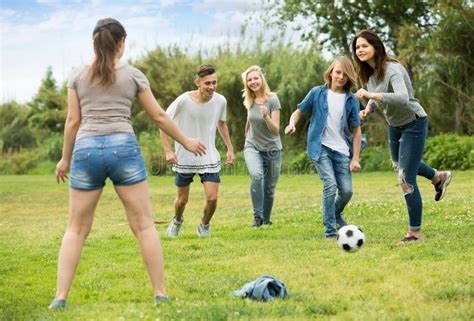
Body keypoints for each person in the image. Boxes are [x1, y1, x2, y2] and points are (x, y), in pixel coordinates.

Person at [49, 18, 206, 309]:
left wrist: (65, 158)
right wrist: (185, 141)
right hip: (123, 149)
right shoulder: (133, 75)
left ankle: (60, 298)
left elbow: (73, 122)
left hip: (85, 150)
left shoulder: (77, 76)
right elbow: (158, 116)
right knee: (144, 226)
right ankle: (160, 293)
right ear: (121, 42)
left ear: (95, 43)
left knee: (76, 229)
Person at [352, 30, 452, 243]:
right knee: (400, 167)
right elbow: (379, 93)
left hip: (414, 123)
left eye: (364, 46)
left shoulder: (393, 69)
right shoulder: (370, 73)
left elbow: (402, 98)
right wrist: (369, 108)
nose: (360, 50)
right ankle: (437, 177)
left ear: (376, 47)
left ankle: (414, 233)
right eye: (357, 47)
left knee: (405, 178)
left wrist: (369, 95)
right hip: (395, 125)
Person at [285, 56, 362, 238]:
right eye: (337, 72)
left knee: (347, 191)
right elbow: (299, 111)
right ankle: (330, 231)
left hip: (342, 149)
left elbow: (356, 130)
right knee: (330, 184)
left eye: (345, 74)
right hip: (320, 147)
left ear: (349, 77)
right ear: (331, 72)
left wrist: (356, 157)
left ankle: (335, 214)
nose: (340, 77)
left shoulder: (351, 100)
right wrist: (291, 124)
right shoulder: (317, 93)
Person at [161, 64, 234, 238]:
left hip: (209, 157)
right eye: (207, 83)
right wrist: (168, 150)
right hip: (184, 158)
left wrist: (230, 148)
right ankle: (177, 220)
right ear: (197, 83)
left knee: (212, 198)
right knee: (182, 201)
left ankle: (204, 225)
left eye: (214, 83)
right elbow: (163, 122)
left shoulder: (220, 101)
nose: (211, 87)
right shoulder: (183, 100)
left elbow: (221, 123)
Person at [241, 65, 282, 227]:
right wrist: (246, 140)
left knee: (270, 188)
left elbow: (275, 130)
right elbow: (249, 121)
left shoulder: (272, 99)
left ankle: (266, 218)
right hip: (252, 146)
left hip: (273, 149)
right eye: (249, 80)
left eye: (255, 78)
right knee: (257, 175)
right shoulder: (249, 100)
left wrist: (265, 116)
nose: (253, 82)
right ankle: (257, 217)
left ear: (262, 79)